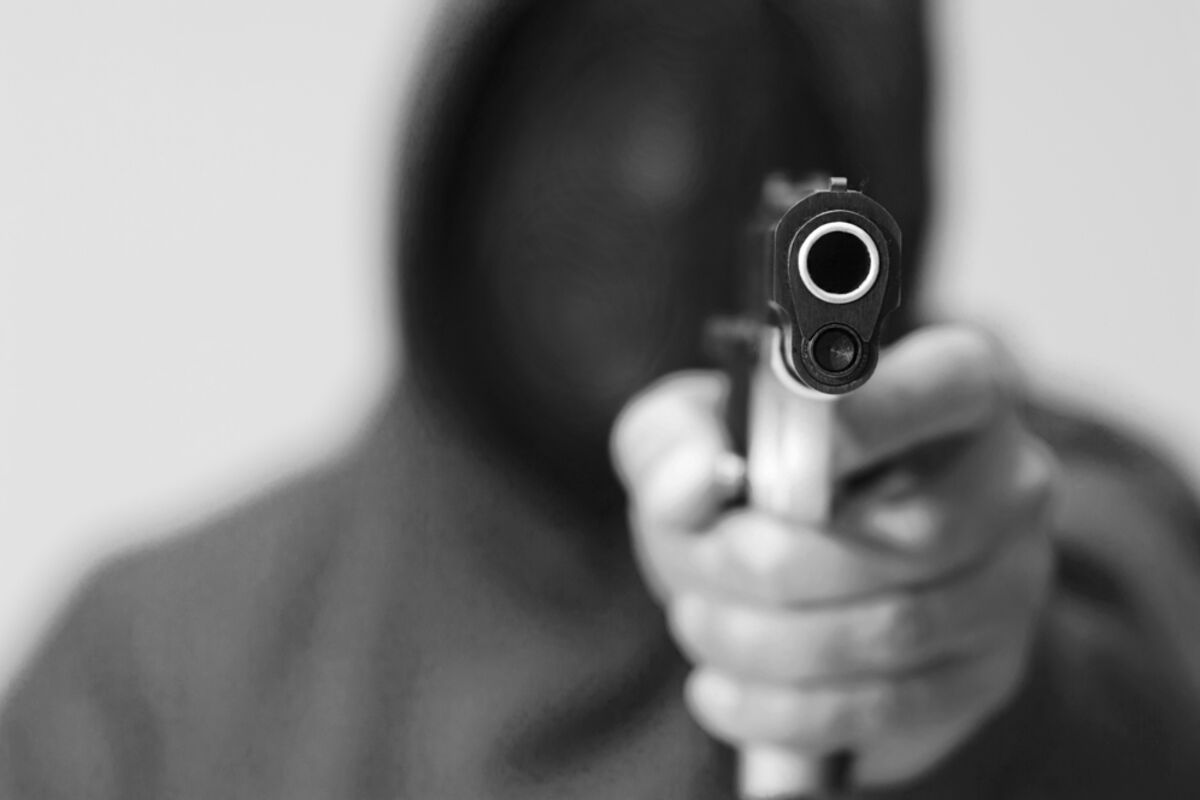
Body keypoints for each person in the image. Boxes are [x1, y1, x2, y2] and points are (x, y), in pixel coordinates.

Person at [4, 1, 1200, 797]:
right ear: (468, 130)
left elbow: (1137, 655)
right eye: (600, 78)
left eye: (746, 99)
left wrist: (977, 684)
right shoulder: (152, 664)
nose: (665, 172)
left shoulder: (1051, 514)